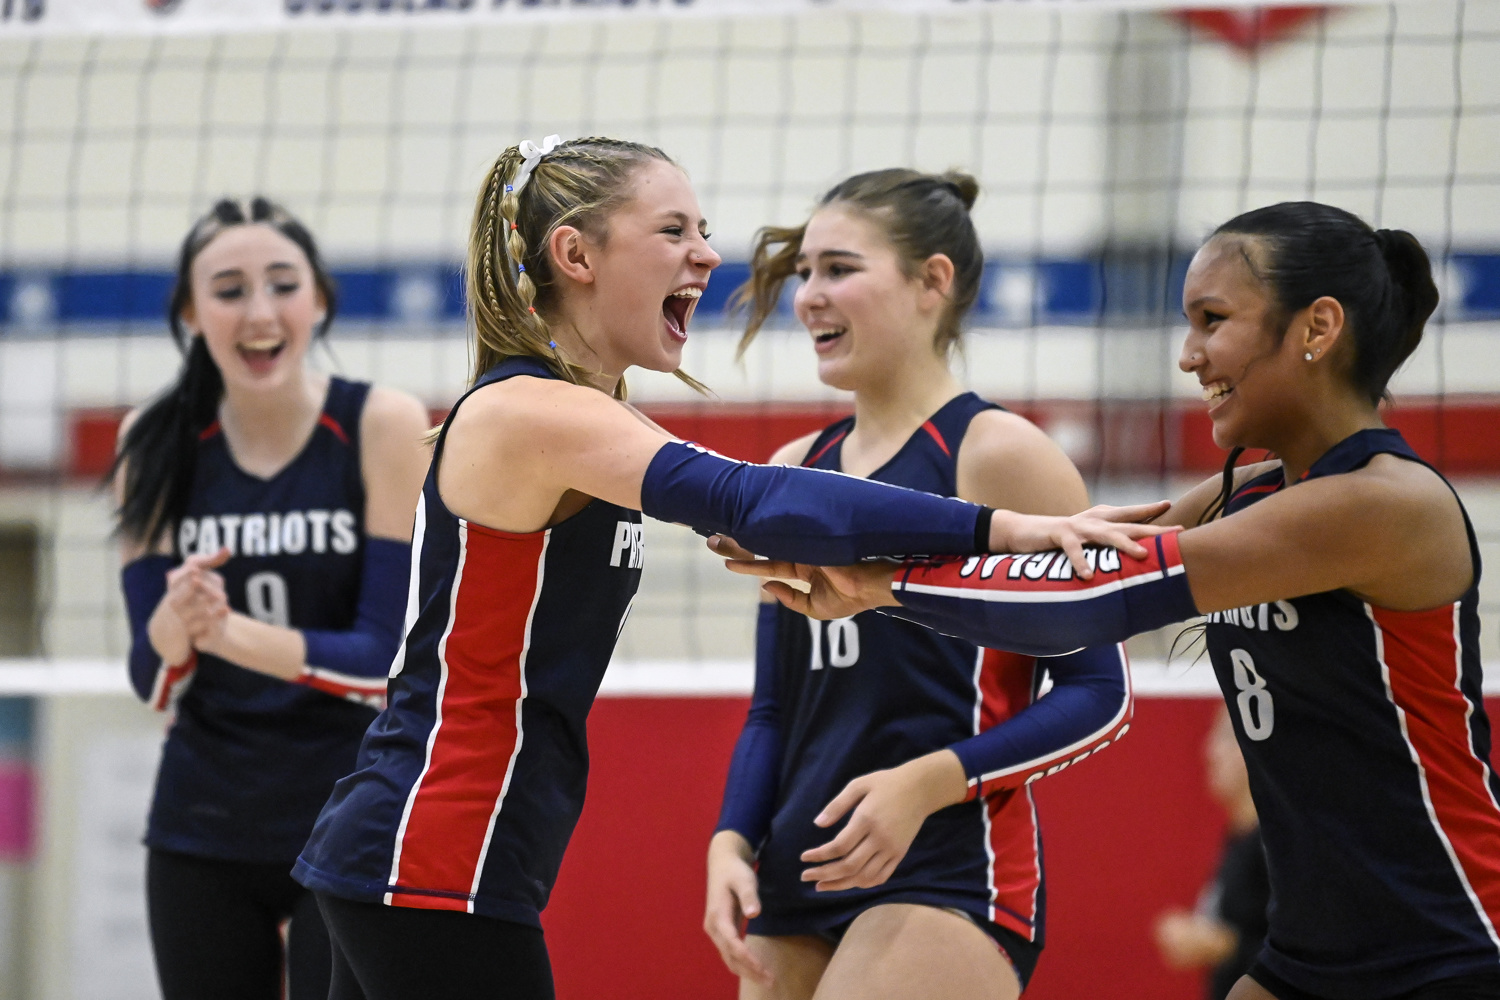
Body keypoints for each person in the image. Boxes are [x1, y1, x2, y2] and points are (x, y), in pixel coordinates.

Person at [286, 135, 1167, 1000]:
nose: (711, 254)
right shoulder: (537, 412)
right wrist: (999, 529)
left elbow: (1092, 685)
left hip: (427, 851)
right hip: (435, 849)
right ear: (575, 254)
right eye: (674, 231)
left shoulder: (587, 416)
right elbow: (756, 506)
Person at [721, 201, 1500, 1000]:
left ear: (1317, 328)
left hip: (1449, 942)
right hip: (1309, 953)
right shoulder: (1247, 494)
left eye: (1212, 320)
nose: (1189, 357)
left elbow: (1088, 595)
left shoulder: (1380, 503)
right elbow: (1076, 554)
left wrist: (880, 585)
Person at [704, 168, 1132, 1000]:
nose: (809, 296)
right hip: (800, 873)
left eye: (839, 269)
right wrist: (730, 838)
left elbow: (1100, 695)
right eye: (804, 274)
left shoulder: (998, 453)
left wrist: (929, 781)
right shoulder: (799, 468)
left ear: (933, 281)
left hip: (944, 868)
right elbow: (774, 707)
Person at [113, 197, 432, 1000]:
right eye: (228, 290)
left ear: (319, 299)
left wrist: (225, 632)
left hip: (347, 814)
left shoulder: (380, 423)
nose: (259, 312)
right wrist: (172, 620)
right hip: (202, 826)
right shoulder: (152, 441)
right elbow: (152, 677)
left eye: (282, 285)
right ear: (192, 312)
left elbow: (382, 660)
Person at [1155, 707, 1268, 1000]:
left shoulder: (1275, 849)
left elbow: (1310, 953)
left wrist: (1219, 944)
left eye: (1222, 738)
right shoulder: (1239, 838)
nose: (1208, 751)